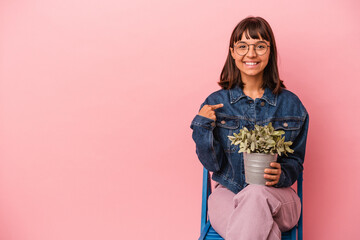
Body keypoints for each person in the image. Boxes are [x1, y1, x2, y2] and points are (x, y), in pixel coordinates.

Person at [190, 16, 309, 240]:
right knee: (256, 228)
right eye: (242, 46)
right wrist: (202, 126)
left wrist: (282, 174)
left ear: (270, 51)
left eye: (260, 46)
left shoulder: (292, 105)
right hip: (228, 194)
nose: (251, 54)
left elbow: (296, 161)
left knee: (255, 194)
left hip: (278, 197)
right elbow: (212, 165)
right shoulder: (216, 103)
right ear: (233, 52)